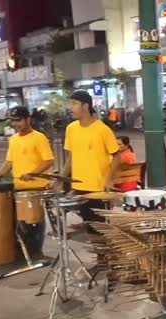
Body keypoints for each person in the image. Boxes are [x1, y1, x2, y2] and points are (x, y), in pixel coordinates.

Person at [0, 106, 54, 257]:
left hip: (35, 188)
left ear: (28, 120)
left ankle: (37, 253)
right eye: (13, 121)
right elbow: (9, 162)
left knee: (34, 222)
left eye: (19, 120)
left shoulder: (39, 137)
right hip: (18, 187)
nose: (16, 124)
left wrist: (32, 173)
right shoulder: (13, 139)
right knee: (22, 224)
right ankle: (26, 253)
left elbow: (49, 160)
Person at [63, 90, 122, 230]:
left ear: (85, 106)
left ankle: (103, 253)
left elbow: (117, 156)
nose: (71, 107)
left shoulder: (102, 130)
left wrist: (108, 179)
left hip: (97, 188)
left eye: (74, 103)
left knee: (101, 230)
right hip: (78, 187)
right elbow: (71, 157)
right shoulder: (71, 129)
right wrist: (61, 179)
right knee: (89, 227)